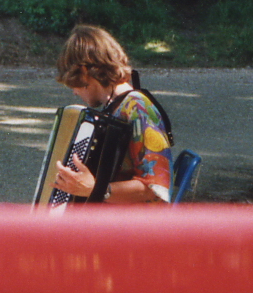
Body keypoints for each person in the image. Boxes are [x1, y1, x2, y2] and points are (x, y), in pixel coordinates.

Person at [52, 25, 173, 205]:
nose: (74, 92)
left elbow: (155, 188)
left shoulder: (138, 108)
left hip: (134, 229)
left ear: (84, 72)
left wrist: (96, 189)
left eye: (72, 83)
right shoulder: (114, 109)